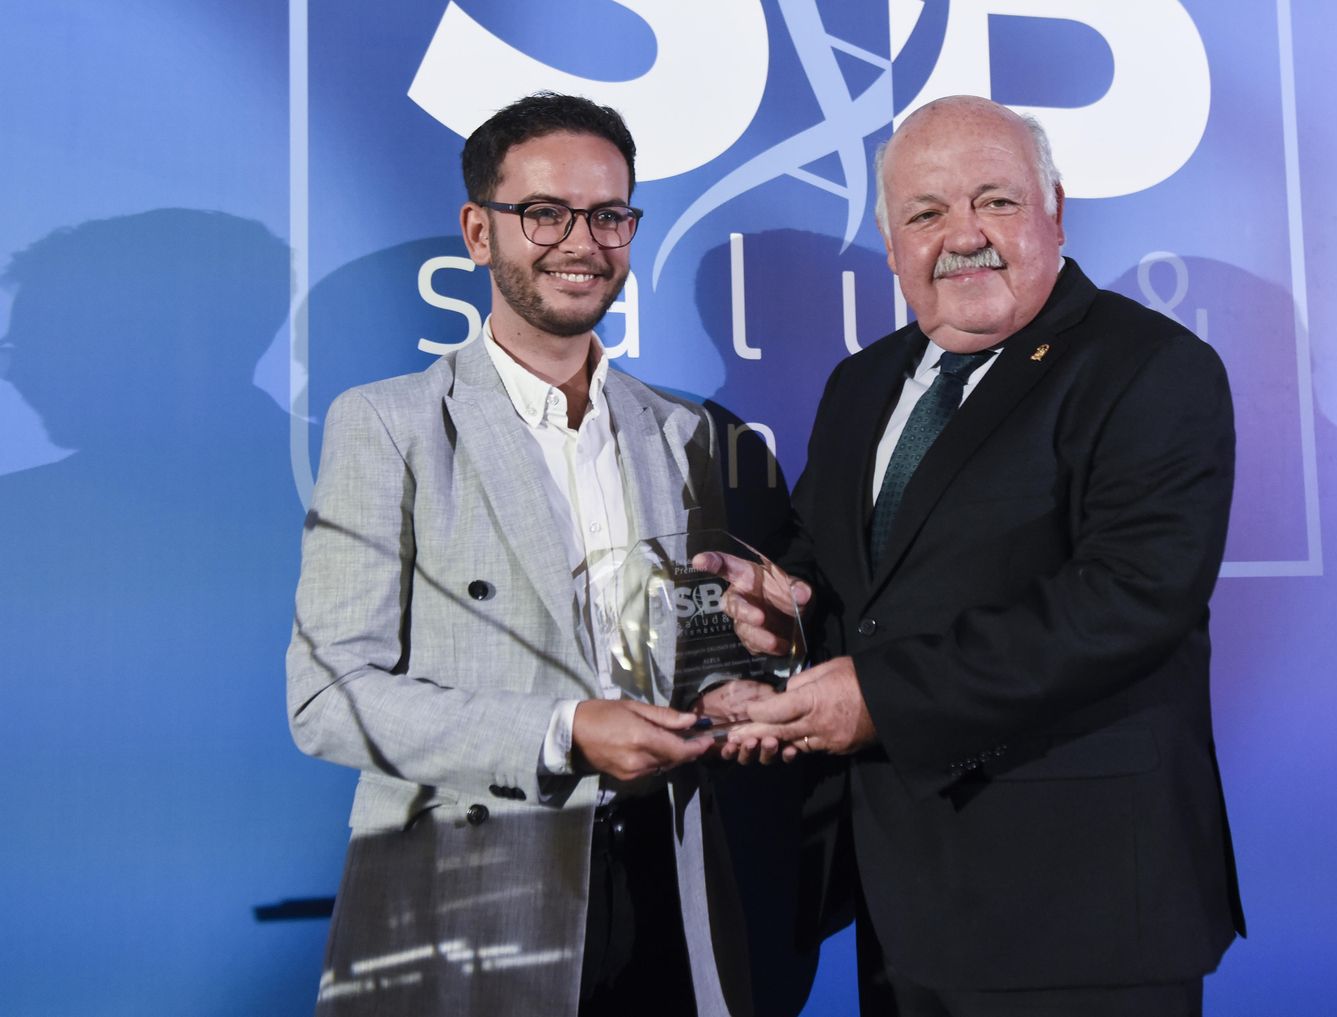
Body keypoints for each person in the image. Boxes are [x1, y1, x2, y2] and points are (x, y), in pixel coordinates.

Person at [709, 95, 1245, 1016]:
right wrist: (781, 600)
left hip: (1081, 910)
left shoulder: (1150, 368)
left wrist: (880, 696)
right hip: (900, 896)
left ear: (1055, 212)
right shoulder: (864, 382)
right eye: (925, 213)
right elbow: (838, 569)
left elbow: (1127, 601)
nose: (963, 236)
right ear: (891, 245)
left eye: (994, 201)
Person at [287, 92, 755, 1017]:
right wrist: (563, 730)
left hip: (663, 884)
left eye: (610, 214)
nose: (582, 241)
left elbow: (678, 652)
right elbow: (326, 695)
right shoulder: (390, 425)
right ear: (477, 229)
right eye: (544, 212)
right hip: (474, 889)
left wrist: (752, 664)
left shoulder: (681, 431)